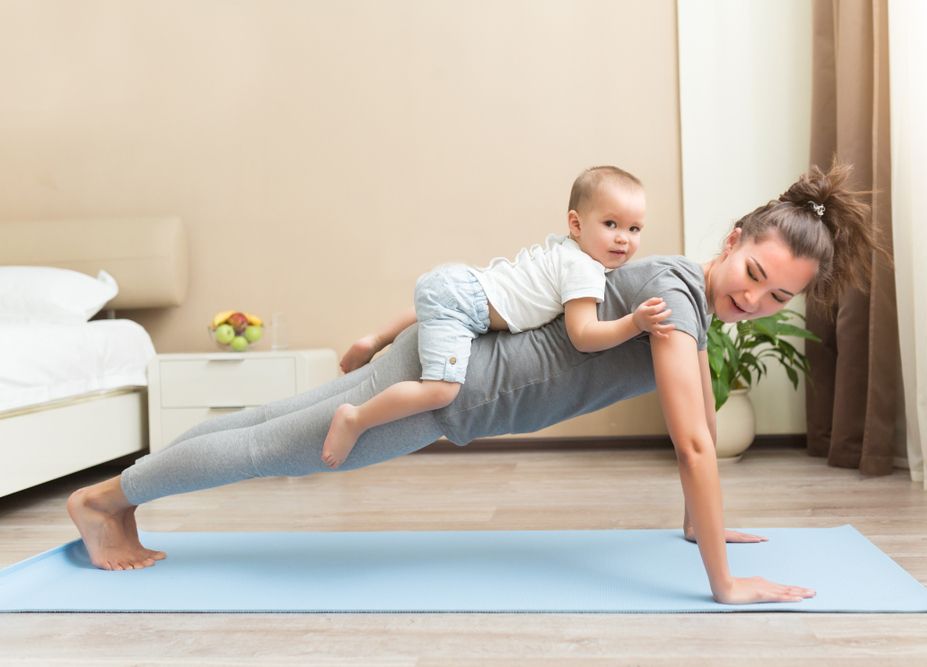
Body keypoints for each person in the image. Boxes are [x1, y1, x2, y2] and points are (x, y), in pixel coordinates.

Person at [67, 161, 876, 606]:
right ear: (733, 240)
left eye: (777, 297)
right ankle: (108, 501)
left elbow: (695, 407)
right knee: (280, 449)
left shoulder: (685, 300)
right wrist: (724, 584)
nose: (754, 299)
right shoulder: (671, 299)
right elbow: (697, 441)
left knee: (270, 425)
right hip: (454, 388)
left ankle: (119, 495)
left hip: (441, 357)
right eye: (754, 273)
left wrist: (705, 529)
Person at [320, 165, 673, 468]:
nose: (623, 239)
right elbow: (583, 334)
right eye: (611, 224)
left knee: (437, 308)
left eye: (634, 229)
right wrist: (634, 323)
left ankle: (375, 339)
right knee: (441, 391)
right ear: (576, 225)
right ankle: (356, 418)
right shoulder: (584, 270)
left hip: (458, 283)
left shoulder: (566, 248)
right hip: (464, 305)